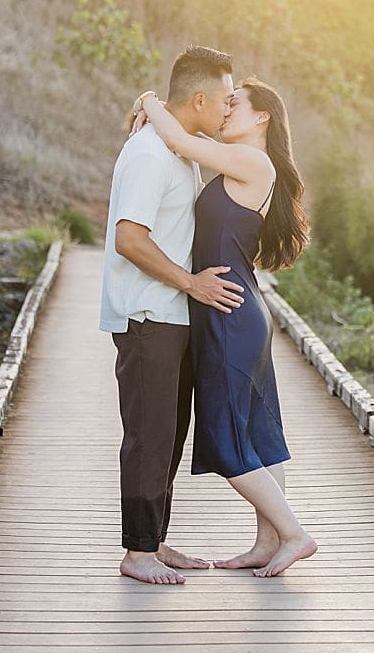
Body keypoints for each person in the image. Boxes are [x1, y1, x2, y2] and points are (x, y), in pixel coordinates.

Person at [130, 76, 316, 577]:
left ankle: (294, 534)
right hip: (238, 307)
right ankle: (267, 541)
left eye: (236, 103)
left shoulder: (253, 161)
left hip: (228, 313)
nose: (226, 110)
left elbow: (178, 139)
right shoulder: (243, 160)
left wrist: (148, 100)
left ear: (262, 116)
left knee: (225, 436)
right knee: (260, 432)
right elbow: (186, 142)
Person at [99, 45, 247, 585]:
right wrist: (191, 282)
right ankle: (136, 553)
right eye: (226, 100)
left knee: (171, 433)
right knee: (149, 434)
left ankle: (155, 540)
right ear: (200, 100)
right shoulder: (149, 154)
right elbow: (129, 239)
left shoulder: (181, 150)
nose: (229, 109)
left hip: (174, 315)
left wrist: (148, 101)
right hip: (147, 316)